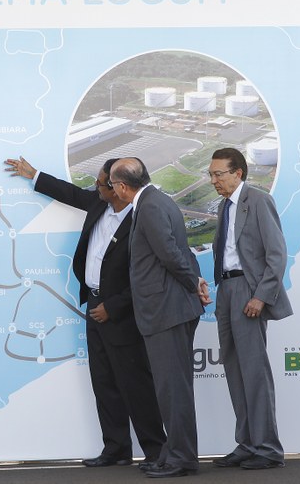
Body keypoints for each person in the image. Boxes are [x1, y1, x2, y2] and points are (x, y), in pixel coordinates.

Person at [4, 156, 165, 471]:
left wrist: (114, 306)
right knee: (104, 382)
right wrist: (34, 174)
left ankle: (157, 452)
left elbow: (148, 274)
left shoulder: (144, 216)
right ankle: (116, 448)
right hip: (94, 306)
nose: (95, 187)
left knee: (136, 384)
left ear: (119, 187)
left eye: (102, 183)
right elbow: (71, 193)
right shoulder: (99, 202)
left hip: (123, 310)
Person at [108, 158, 210, 478]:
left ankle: (181, 458)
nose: (112, 191)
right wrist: (196, 282)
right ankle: (172, 453)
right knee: (171, 388)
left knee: (172, 389)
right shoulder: (160, 199)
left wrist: (193, 283)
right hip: (170, 308)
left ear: (123, 186)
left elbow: (169, 254)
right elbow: (182, 251)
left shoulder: (150, 206)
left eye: (112, 185)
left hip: (166, 310)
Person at [208, 148, 292, 470]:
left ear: (238, 173)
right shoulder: (223, 207)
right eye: (211, 174)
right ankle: (246, 444)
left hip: (248, 290)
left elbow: (277, 254)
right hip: (226, 289)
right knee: (234, 370)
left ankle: (268, 449)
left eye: (219, 174)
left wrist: (261, 296)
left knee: (254, 373)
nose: (214, 180)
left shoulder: (258, 201)